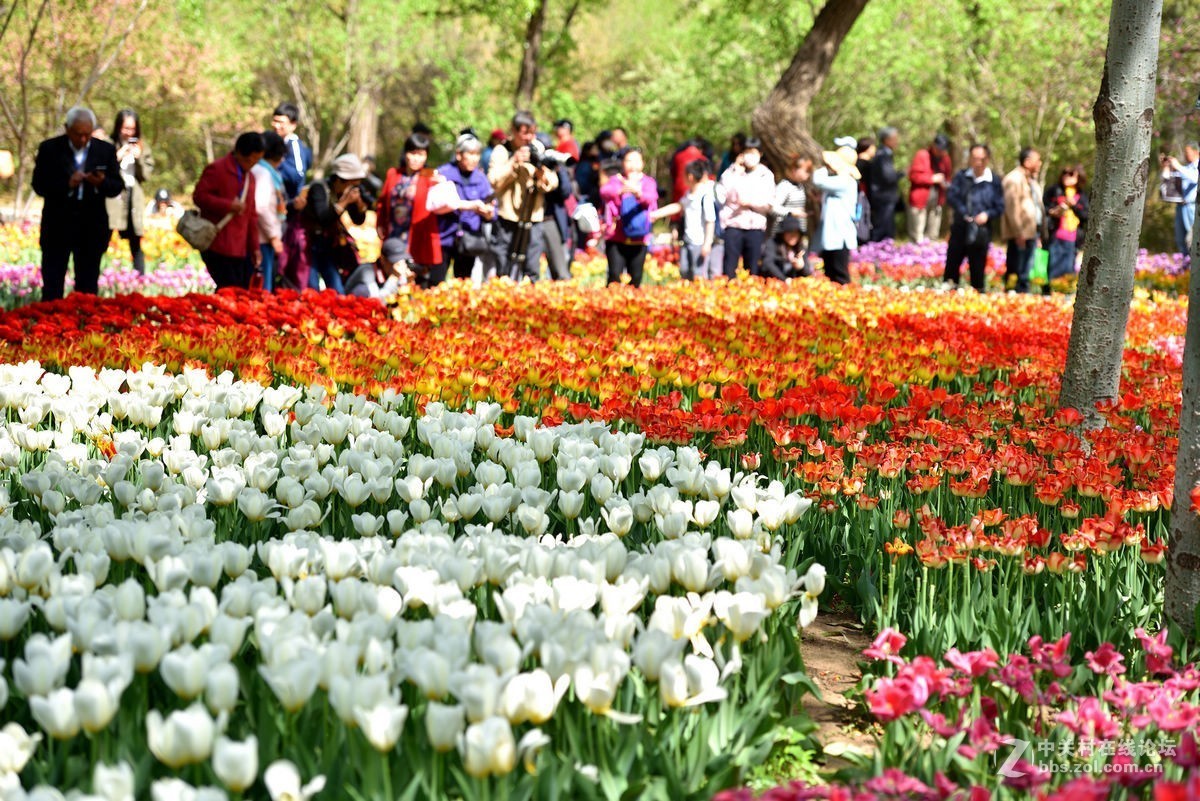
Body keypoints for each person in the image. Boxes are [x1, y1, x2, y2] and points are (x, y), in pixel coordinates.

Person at [31, 106, 123, 302]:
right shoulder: (49, 149)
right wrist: (67, 184)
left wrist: (101, 183)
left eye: (87, 135)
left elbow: (117, 186)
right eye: (78, 134)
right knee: (53, 287)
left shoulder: (104, 150)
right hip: (57, 226)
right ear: (67, 129)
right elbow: (39, 185)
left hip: (92, 227)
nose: (83, 139)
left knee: (88, 290)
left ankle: (84, 329)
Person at [488, 111, 559, 282]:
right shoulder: (502, 151)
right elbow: (493, 181)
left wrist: (540, 169)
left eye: (533, 133)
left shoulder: (537, 148)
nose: (529, 138)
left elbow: (552, 182)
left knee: (532, 268)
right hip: (508, 217)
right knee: (503, 265)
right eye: (525, 133)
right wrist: (513, 162)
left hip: (533, 217)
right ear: (513, 131)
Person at [193, 132, 263, 289]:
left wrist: (255, 247)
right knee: (227, 290)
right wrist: (227, 205)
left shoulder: (250, 178)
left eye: (256, 160)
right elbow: (199, 197)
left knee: (240, 292)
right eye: (250, 160)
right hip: (218, 243)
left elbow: (252, 215)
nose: (252, 164)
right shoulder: (217, 169)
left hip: (241, 248)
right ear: (239, 153)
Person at [377, 132, 444, 285]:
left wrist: (441, 185)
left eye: (420, 154)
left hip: (417, 236)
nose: (416, 158)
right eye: (412, 153)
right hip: (394, 232)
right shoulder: (393, 174)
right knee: (393, 276)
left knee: (414, 278)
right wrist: (380, 223)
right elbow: (382, 202)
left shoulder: (430, 177)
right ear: (405, 153)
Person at [302, 154, 369, 294]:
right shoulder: (319, 188)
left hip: (329, 246)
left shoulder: (346, 193)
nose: (354, 187)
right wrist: (343, 202)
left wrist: (359, 204)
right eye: (352, 183)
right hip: (309, 244)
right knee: (311, 287)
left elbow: (358, 220)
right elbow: (323, 218)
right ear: (340, 179)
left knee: (337, 290)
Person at [944, 143, 1004, 292]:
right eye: (975, 158)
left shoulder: (994, 181)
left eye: (982, 159)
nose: (978, 162)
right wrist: (964, 213)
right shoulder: (961, 176)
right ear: (970, 159)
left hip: (981, 232)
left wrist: (987, 215)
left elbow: (1000, 206)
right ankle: (949, 295)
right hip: (960, 228)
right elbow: (952, 197)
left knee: (977, 269)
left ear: (987, 159)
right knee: (952, 264)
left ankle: (977, 298)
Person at [436, 133, 496, 281]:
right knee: (436, 281)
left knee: (463, 282)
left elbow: (493, 210)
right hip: (444, 236)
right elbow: (436, 203)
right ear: (458, 154)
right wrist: (470, 206)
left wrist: (488, 213)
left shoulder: (481, 179)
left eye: (477, 154)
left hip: (469, 239)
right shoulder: (443, 174)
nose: (474, 158)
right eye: (470, 154)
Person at [717, 136, 774, 278]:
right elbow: (721, 194)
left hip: (755, 226)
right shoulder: (731, 172)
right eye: (747, 153)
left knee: (753, 267)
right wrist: (736, 170)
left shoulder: (765, 175)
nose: (750, 157)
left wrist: (750, 203)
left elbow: (769, 203)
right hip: (733, 224)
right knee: (729, 267)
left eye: (753, 153)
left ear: (760, 154)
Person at [600, 147, 658, 287]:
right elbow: (604, 192)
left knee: (636, 277)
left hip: (639, 237)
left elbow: (651, 198)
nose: (632, 164)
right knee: (614, 274)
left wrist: (638, 194)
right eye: (628, 160)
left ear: (642, 163)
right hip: (616, 236)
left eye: (636, 160)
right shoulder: (616, 180)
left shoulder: (648, 182)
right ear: (623, 163)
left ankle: (631, 304)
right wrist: (620, 191)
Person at [106, 109, 154, 274]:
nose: (128, 133)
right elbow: (102, 169)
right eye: (125, 128)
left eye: (132, 129)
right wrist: (116, 157)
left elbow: (146, 174)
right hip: (113, 197)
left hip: (134, 196)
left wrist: (139, 157)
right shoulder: (109, 144)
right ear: (118, 127)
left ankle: (139, 277)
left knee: (135, 239)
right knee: (104, 235)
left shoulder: (141, 146)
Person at [652, 159, 717, 280]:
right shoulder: (689, 194)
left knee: (698, 274)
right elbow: (678, 206)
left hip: (700, 242)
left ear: (690, 176)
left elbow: (710, 221)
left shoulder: (705, 195)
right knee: (684, 270)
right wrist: (656, 214)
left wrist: (707, 243)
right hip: (687, 240)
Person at [812, 140, 861, 285]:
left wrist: (822, 168)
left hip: (839, 235)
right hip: (834, 234)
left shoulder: (844, 180)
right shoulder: (843, 181)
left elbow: (818, 180)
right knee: (830, 272)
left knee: (839, 273)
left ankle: (843, 301)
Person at [1001, 147, 1044, 293]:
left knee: (1026, 270)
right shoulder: (1014, 179)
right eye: (1037, 160)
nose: (1040, 163)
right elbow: (1012, 209)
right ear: (1027, 162)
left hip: (1031, 232)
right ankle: (1014, 300)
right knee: (1017, 270)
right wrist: (1018, 232)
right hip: (1020, 233)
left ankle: (1022, 297)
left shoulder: (1031, 180)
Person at [1042, 165, 1089, 293]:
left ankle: (1064, 293)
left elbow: (1086, 216)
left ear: (1078, 177)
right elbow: (1044, 208)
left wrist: (1074, 205)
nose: (1067, 177)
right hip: (1056, 235)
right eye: (1065, 174)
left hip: (1073, 237)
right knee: (1054, 266)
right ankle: (1051, 292)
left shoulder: (1081, 195)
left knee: (1068, 269)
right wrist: (1053, 211)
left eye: (1071, 174)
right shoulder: (1054, 191)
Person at [252, 131, 287, 292]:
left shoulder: (263, 171)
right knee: (262, 290)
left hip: (263, 237)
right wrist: (274, 236)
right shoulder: (263, 173)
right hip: (263, 238)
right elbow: (261, 207)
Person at [907, 133, 953, 243]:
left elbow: (948, 177)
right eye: (939, 149)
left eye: (943, 150)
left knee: (933, 229)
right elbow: (913, 176)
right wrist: (932, 179)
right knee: (917, 231)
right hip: (920, 198)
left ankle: (931, 251)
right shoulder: (922, 155)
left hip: (937, 198)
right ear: (933, 145)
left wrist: (945, 183)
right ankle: (915, 249)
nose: (940, 152)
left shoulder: (946, 159)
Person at [1162, 143, 1199, 257]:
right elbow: (1167, 181)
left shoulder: (1195, 167)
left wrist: (1178, 166)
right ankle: (1184, 269)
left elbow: (1195, 178)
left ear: (1196, 152)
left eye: (1187, 152)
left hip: (1192, 208)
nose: (1185, 155)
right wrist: (1166, 167)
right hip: (1181, 207)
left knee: (1192, 240)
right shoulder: (1186, 168)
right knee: (1181, 240)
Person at [344, 237, 410, 301]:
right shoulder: (367, 272)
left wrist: (407, 281)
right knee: (362, 290)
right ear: (382, 259)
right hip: (351, 305)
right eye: (393, 261)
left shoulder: (393, 270)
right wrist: (393, 278)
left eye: (401, 261)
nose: (397, 266)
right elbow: (377, 301)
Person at [271, 102, 312, 199]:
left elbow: (298, 175)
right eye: (274, 121)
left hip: (290, 203)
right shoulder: (278, 143)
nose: (276, 126)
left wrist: (274, 163)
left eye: (281, 122)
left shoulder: (294, 144)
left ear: (293, 125)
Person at [868, 126, 901, 242]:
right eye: (895, 138)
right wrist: (901, 174)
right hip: (883, 197)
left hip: (884, 197)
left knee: (886, 227)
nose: (897, 141)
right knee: (883, 229)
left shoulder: (884, 154)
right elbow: (888, 177)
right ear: (887, 140)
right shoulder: (883, 155)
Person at [759, 215, 812, 280]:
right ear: (782, 233)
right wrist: (784, 279)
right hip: (774, 282)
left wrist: (801, 267)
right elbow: (767, 263)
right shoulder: (772, 243)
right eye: (790, 232)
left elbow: (807, 274)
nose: (793, 236)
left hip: (794, 285)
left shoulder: (801, 248)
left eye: (796, 232)